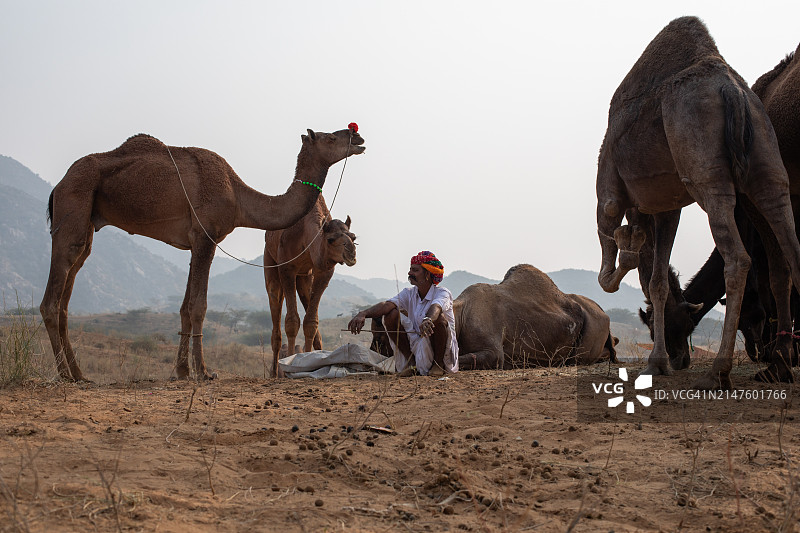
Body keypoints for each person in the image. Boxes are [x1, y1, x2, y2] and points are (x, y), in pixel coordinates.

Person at [348, 251, 459, 376]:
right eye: (410, 269)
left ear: (427, 274)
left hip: (439, 348)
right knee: (391, 315)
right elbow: (387, 305)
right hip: (417, 344)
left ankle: (438, 365)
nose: (410, 273)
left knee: (439, 319)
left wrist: (428, 319)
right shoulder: (409, 293)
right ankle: (411, 364)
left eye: (415, 270)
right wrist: (363, 313)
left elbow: (436, 307)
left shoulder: (442, 293)